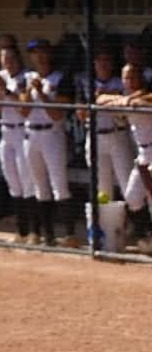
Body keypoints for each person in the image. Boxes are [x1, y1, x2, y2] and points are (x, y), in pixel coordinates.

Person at [96, 63, 152, 254]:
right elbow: (100, 99)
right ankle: (149, 235)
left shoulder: (151, 94)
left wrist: (127, 101)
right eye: (126, 78)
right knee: (132, 198)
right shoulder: (125, 97)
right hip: (142, 154)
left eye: (133, 77)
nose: (130, 81)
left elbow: (145, 102)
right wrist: (124, 100)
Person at [20, 38, 73, 247]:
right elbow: (23, 111)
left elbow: (57, 115)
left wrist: (41, 93)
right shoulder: (28, 77)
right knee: (39, 186)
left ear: (50, 54)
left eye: (43, 52)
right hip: (30, 135)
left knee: (59, 184)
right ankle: (47, 235)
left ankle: (70, 234)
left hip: (52, 135)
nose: (39, 57)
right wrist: (28, 92)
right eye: (35, 53)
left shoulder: (61, 77)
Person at [77, 46, 132, 211]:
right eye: (100, 60)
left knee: (127, 182)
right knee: (102, 187)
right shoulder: (85, 82)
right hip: (95, 137)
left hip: (118, 135)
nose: (104, 64)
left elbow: (127, 107)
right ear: (94, 63)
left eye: (107, 60)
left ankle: (136, 226)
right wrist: (94, 99)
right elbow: (80, 114)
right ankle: (107, 225)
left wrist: (109, 97)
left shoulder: (120, 82)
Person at [0, 45, 36, 243]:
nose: (8, 63)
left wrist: (5, 90)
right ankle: (21, 231)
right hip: (5, 131)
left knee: (27, 181)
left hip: (23, 131)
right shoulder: (1, 75)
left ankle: (33, 231)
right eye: (4, 59)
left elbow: (24, 109)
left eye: (11, 58)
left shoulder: (26, 77)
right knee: (13, 182)